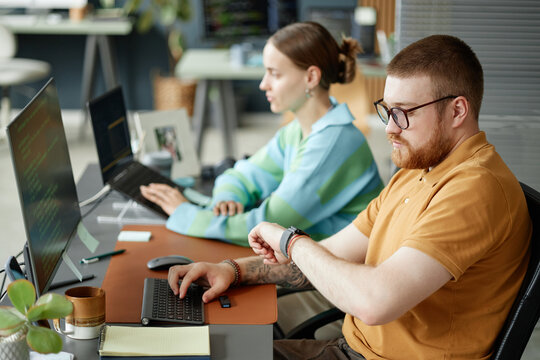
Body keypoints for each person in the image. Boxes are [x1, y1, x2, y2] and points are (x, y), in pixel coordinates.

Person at [166, 34, 532, 359]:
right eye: (388, 110)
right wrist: (232, 270)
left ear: (457, 111)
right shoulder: (417, 171)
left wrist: (291, 240)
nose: (389, 128)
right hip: (349, 348)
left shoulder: (474, 190)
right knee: (202, 351)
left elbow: (373, 303)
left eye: (403, 113)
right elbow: (334, 253)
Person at [140, 22, 384, 247]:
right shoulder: (298, 131)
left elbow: (269, 227)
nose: (263, 84)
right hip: (310, 258)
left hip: (337, 273)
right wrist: (228, 195)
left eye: (275, 74)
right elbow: (244, 173)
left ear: (311, 77)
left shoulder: (332, 144)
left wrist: (184, 213)